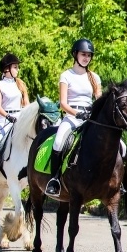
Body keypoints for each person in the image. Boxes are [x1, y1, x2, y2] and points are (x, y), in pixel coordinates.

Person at [45, 39, 102, 197]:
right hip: (72, 116)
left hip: (90, 117)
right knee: (58, 142)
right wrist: (77, 114)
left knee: (121, 146)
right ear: (75, 54)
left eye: (89, 55)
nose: (86, 58)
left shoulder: (94, 77)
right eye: (83, 54)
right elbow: (63, 103)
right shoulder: (66, 76)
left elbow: (99, 98)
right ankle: (55, 179)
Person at [0, 53, 30, 183]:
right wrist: (8, 116)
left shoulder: (20, 84)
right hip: (5, 119)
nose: (17, 69)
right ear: (7, 69)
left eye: (17, 67)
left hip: (20, 118)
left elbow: (27, 104)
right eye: (15, 67)